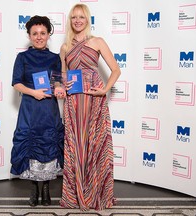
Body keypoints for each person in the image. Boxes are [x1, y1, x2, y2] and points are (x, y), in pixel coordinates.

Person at [59, 4, 121, 211]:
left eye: (81, 17)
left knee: (93, 143)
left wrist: (105, 90)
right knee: (75, 145)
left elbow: (115, 70)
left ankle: (95, 192)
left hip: (94, 100)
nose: (77, 20)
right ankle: (75, 194)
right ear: (70, 20)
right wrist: (62, 83)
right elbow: (64, 75)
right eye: (74, 17)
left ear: (87, 19)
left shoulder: (97, 41)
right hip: (73, 101)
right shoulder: (65, 47)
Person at [10, 15, 66, 207]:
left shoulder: (54, 58)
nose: (39, 37)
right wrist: (33, 92)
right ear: (29, 35)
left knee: (48, 144)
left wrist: (59, 88)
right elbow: (16, 83)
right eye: (35, 33)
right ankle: (34, 188)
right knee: (32, 145)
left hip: (49, 109)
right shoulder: (22, 57)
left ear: (49, 34)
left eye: (43, 33)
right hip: (30, 109)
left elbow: (58, 81)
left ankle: (46, 189)